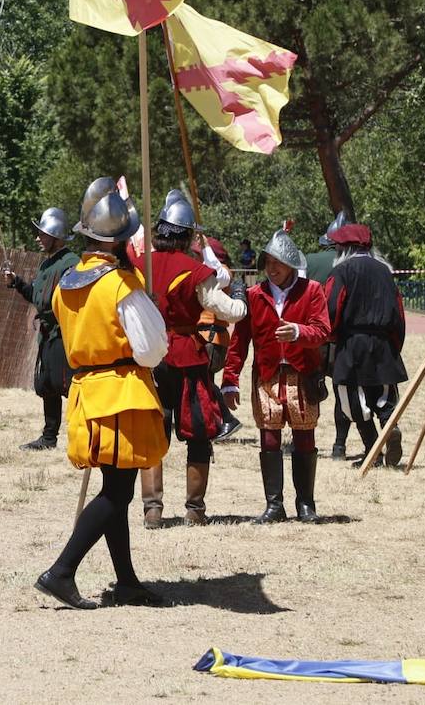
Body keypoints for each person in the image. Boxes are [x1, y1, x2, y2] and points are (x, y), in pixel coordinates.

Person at [34, 178, 168, 609]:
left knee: (117, 489)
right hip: (121, 390)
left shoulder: (67, 281)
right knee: (117, 493)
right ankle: (62, 571)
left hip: (87, 389)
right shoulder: (121, 284)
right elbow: (150, 350)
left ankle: (126, 581)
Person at [135, 191, 246, 528]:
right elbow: (233, 312)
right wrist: (239, 294)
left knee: (154, 431)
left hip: (150, 357)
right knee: (198, 432)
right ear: (185, 236)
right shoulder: (195, 270)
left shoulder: (140, 267)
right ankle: (195, 511)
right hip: (187, 357)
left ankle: (153, 510)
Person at [223, 226, 331, 524]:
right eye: (267, 263)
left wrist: (298, 332)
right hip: (267, 376)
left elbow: (323, 331)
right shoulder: (254, 295)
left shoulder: (312, 291)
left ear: (290, 264)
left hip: (302, 374)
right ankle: (274, 505)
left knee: (304, 435)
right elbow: (240, 340)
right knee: (269, 438)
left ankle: (305, 504)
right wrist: (230, 380)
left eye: (277, 263)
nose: (272, 269)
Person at [324, 224, 408, 467]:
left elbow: (331, 307)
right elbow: (398, 313)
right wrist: (394, 345)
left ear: (344, 247)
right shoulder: (385, 272)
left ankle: (372, 452)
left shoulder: (342, 271)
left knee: (353, 402)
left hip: (351, 344)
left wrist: (327, 335)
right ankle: (390, 427)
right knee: (383, 398)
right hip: (382, 343)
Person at [4, 207, 78, 451]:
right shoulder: (47, 265)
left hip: (64, 334)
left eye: (42, 233)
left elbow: (69, 302)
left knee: (67, 384)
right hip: (47, 334)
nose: (37, 237)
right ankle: (49, 438)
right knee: (47, 385)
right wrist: (17, 283)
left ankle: (80, 435)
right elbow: (38, 298)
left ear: (55, 236)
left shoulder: (71, 263)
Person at [309, 212, 348, 459]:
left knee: (309, 390)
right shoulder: (354, 262)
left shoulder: (310, 260)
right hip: (342, 338)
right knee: (341, 391)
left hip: (314, 338)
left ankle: (305, 439)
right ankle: (339, 446)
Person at [200, 236, 245, 442]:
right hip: (208, 334)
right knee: (204, 382)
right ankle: (216, 422)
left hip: (211, 335)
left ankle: (227, 418)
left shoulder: (222, 272)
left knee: (205, 381)